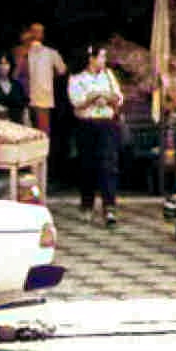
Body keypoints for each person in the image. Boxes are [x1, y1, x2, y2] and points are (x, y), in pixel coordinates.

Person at [68, 46, 125, 227]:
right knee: (88, 165)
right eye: (101, 57)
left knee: (108, 164)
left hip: (106, 123)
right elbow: (76, 101)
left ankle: (109, 207)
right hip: (87, 124)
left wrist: (105, 97)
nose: (104, 60)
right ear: (91, 59)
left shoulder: (108, 75)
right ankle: (87, 205)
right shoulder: (77, 77)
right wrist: (92, 98)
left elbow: (118, 97)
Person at [15, 24, 68, 135]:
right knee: (25, 132)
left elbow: (61, 70)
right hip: (23, 98)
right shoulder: (20, 52)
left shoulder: (51, 53)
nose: (35, 34)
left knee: (42, 133)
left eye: (38, 31)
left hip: (41, 98)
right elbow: (15, 73)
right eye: (34, 31)